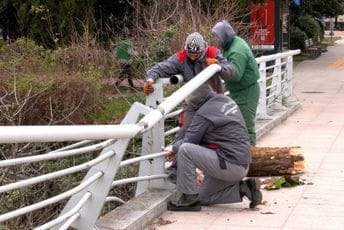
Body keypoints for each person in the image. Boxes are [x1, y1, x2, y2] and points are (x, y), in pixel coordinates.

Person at [167, 84, 262, 211]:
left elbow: (189, 141)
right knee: (202, 197)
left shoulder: (204, 114)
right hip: (241, 164)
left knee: (185, 150)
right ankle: (244, 188)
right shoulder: (225, 100)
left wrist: (173, 148)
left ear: (195, 103)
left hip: (229, 164)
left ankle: (189, 200)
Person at [212, 20, 260, 146]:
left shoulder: (236, 51)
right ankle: (241, 158)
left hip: (246, 92)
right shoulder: (234, 42)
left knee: (246, 127)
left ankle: (250, 158)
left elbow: (236, 75)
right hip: (239, 91)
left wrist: (219, 67)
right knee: (237, 126)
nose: (217, 40)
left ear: (224, 35)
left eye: (218, 37)